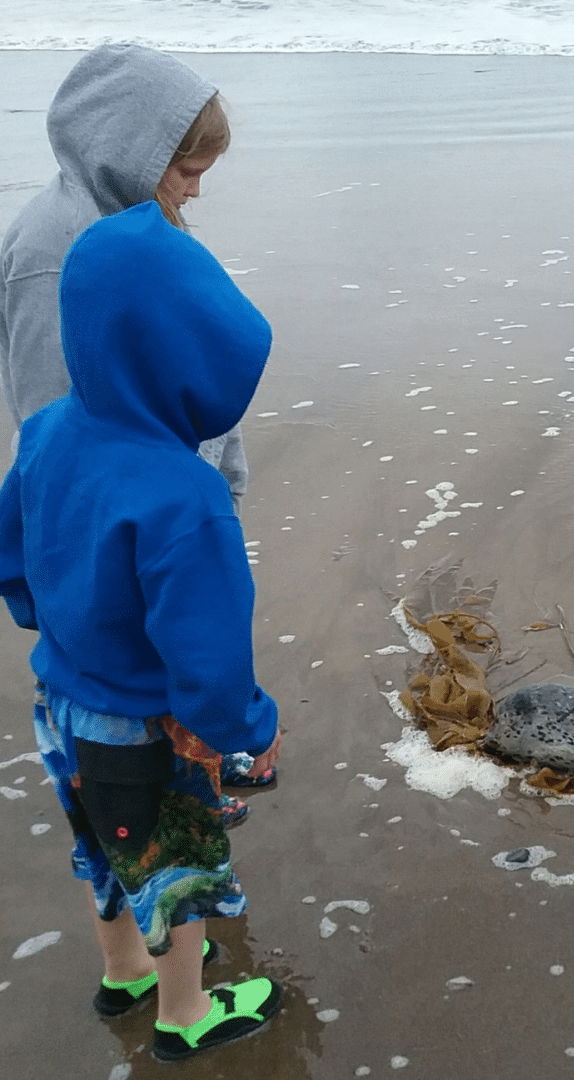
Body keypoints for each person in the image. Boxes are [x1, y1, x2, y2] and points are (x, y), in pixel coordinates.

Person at [0, 201, 282, 1059]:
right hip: (141, 730)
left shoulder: (46, 431)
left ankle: (122, 974)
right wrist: (248, 732)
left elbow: (13, 555)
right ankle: (185, 1014)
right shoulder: (183, 496)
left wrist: (53, 625)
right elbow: (211, 661)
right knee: (177, 873)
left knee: (102, 849)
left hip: (60, 705)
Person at [0, 43, 274, 805]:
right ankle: (191, 762)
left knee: (190, 650)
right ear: (129, 146)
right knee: (171, 683)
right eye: (185, 171)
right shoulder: (58, 251)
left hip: (168, 508)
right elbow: (51, 426)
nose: (194, 191)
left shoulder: (135, 221)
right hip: (136, 540)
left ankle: (189, 748)